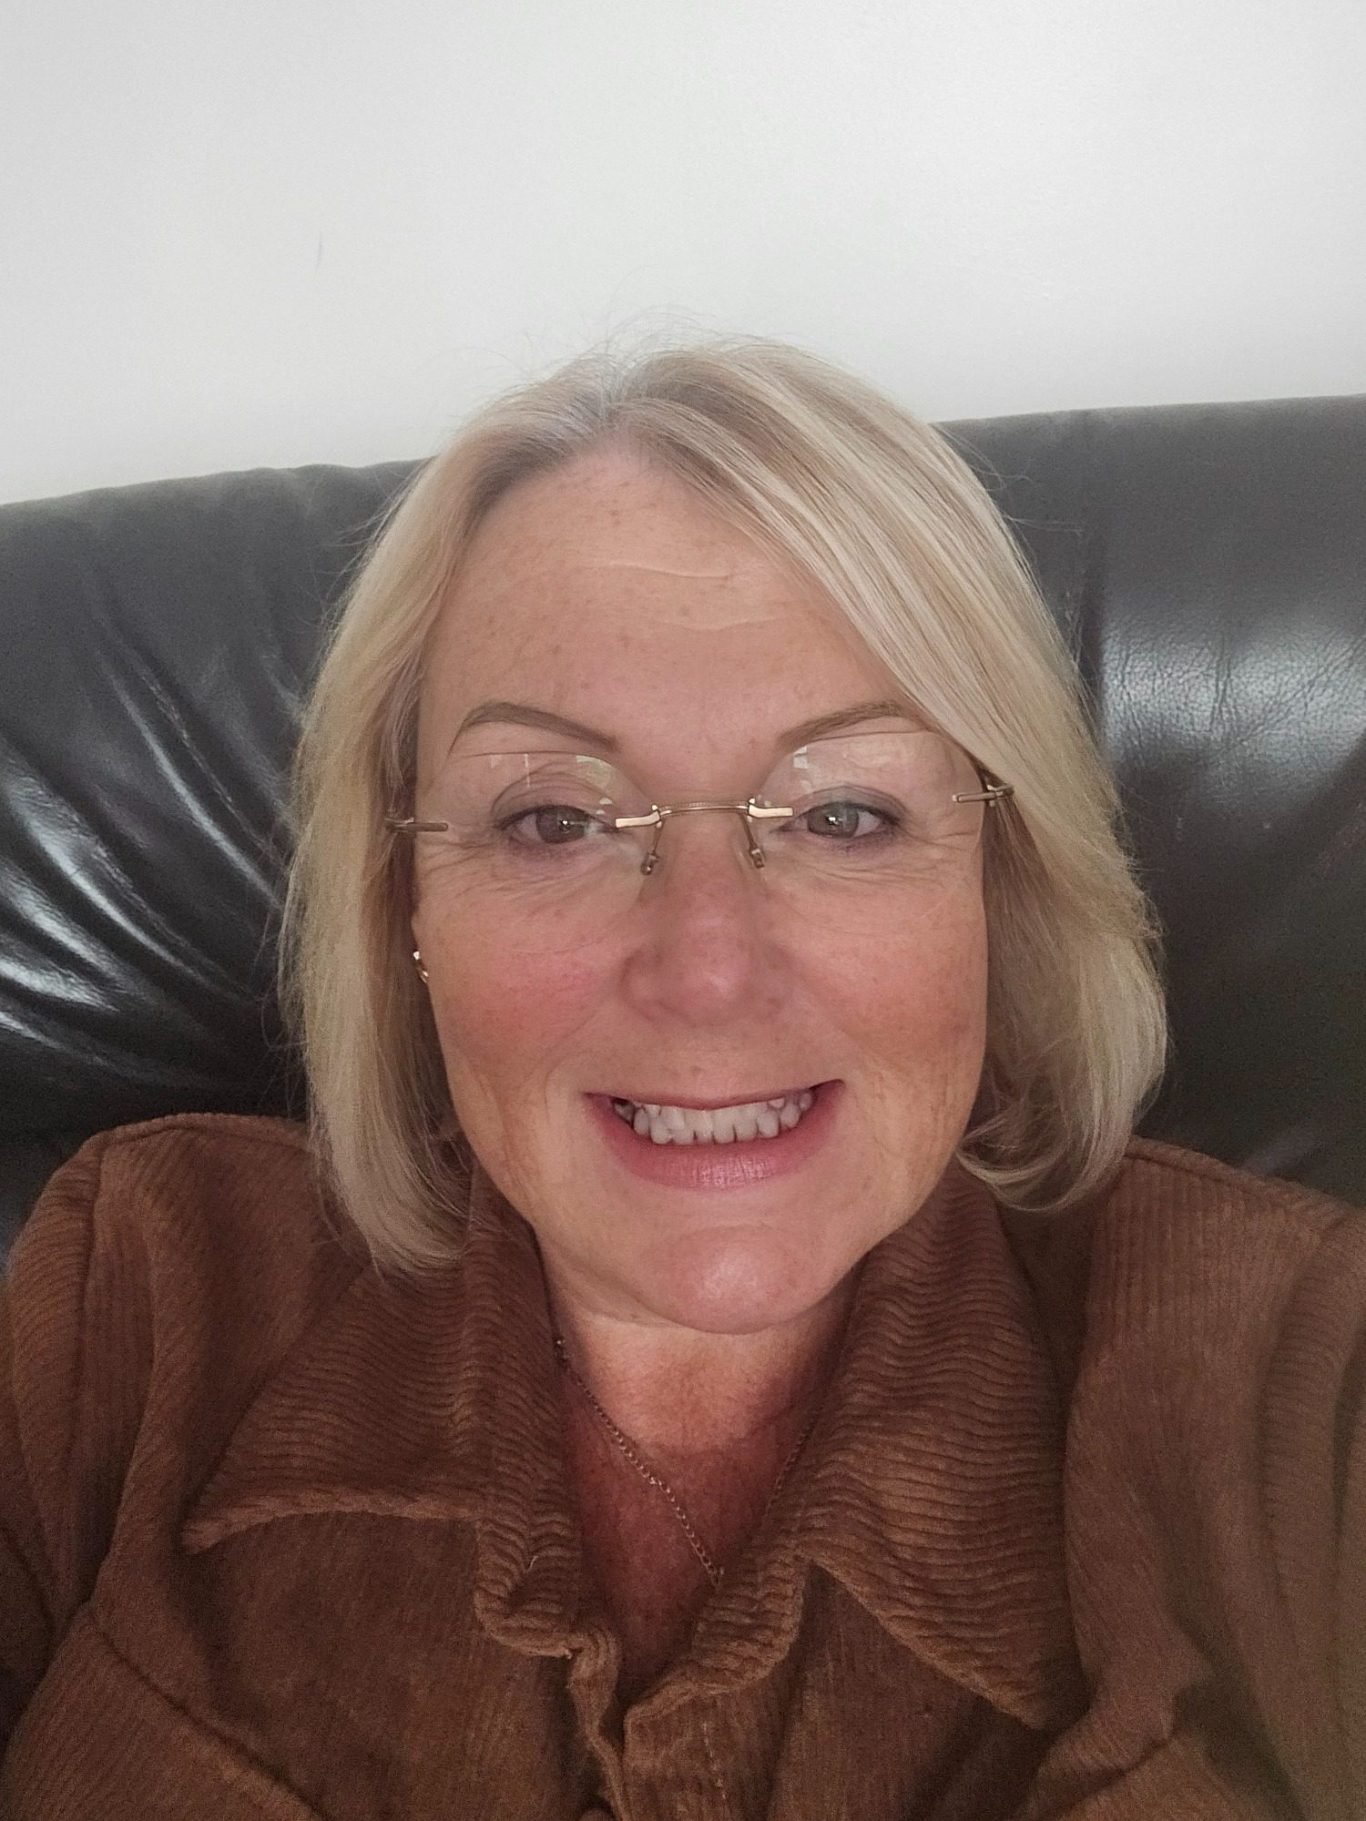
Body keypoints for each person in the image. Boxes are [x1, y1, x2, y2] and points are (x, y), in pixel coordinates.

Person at [0, 340, 1360, 1821]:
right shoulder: (137, 1301)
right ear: (404, 904)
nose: (709, 969)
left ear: (999, 878)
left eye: (843, 813)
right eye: (553, 822)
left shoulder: (1292, 1384)